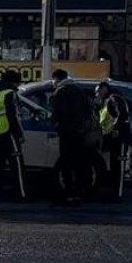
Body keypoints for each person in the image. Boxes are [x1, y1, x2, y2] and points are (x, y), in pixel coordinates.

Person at [50, 69, 94, 203]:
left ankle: (69, 193)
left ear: (57, 79)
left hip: (66, 133)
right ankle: (81, 192)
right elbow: (89, 110)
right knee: (80, 164)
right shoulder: (79, 91)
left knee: (66, 164)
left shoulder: (60, 92)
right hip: (80, 133)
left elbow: (57, 113)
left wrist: (55, 123)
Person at [0, 69, 26, 201]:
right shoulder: (10, 93)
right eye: (18, 83)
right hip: (9, 132)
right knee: (17, 164)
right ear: (13, 82)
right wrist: (19, 133)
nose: (18, 86)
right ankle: (21, 194)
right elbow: (13, 116)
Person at [95, 80, 131, 200]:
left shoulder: (114, 98)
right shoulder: (105, 102)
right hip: (112, 138)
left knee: (119, 165)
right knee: (114, 165)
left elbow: (122, 115)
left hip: (119, 137)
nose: (97, 94)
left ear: (104, 88)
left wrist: (116, 129)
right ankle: (113, 191)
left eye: (98, 91)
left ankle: (118, 194)